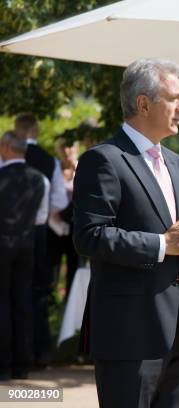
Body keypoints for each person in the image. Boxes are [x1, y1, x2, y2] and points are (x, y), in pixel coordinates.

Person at [72, 58, 179, 408]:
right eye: (174, 98)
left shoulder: (177, 163)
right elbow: (89, 235)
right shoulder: (103, 160)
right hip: (129, 334)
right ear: (144, 103)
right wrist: (163, 245)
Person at [14, 113, 68, 367]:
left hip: (6, 232)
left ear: (16, 129)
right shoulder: (49, 161)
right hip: (39, 234)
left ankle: (13, 353)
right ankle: (39, 352)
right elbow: (59, 201)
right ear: (35, 130)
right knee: (38, 292)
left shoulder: (6, 157)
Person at [0, 131, 48, 381]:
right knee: (23, 301)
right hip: (27, 244)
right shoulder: (40, 179)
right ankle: (23, 364)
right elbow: (42, 217)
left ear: (6, 147)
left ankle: (3, 365)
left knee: (2, 303)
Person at [47, 135, 80, 299]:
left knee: (73, 266)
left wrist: (76, 169)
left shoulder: (82, 169)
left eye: (70, 148)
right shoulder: (53, 169)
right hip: (53, 225)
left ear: (76, 149)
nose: (67, 152)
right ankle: (51, 301)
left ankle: (69, 305)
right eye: (63, 149)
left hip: (75, 226)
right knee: (52, 265)